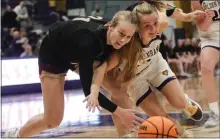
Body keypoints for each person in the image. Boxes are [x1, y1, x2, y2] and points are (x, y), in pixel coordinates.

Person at [4, 10, 145, 137]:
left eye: (128, 37)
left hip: (78, 49)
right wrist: (120, 112)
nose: (123, 40)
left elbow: (102, 67)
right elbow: (88, 92)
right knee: (52, 120)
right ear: (111, 26)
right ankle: (16, 136)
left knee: (118, 88)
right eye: (121, 34)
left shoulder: (116, 34)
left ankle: (127, 135)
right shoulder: (89, 43)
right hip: (53, 56)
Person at [86, 1, 205, 137]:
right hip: (135, 80)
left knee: (179, 103)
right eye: (147, 26)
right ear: (136, 28)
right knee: (161, 116)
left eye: (155, 23)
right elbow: (102, 67)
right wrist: (94, 90)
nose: (154, 29)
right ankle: (184, 135)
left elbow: (162, 6)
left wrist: (185, 17)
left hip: (156, 66)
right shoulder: (126, 46)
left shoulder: (162, 23)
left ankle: (186, 102)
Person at [191, 1, 220, 128]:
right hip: (210, 37)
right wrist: (206, 20)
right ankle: (214, 112)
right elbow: (201, 26)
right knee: (205, 68)